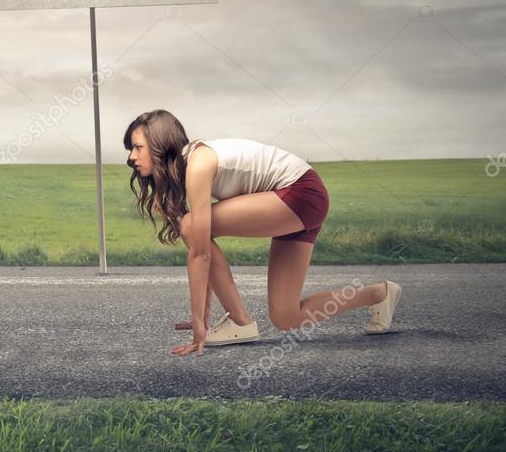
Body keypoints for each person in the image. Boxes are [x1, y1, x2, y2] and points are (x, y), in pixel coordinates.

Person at [123, 109, 403, 357]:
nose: (131, 157)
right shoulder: (188, 165)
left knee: (190, 225)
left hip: (299, 193)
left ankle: (240, 321)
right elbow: (202, 246)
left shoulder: (198, 163)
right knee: (287, 316)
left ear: (161, 145)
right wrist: (203, 315)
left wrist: (199, 322)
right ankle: (379, 294)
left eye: (137, 147)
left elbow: (201, 253)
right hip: (302, 200)